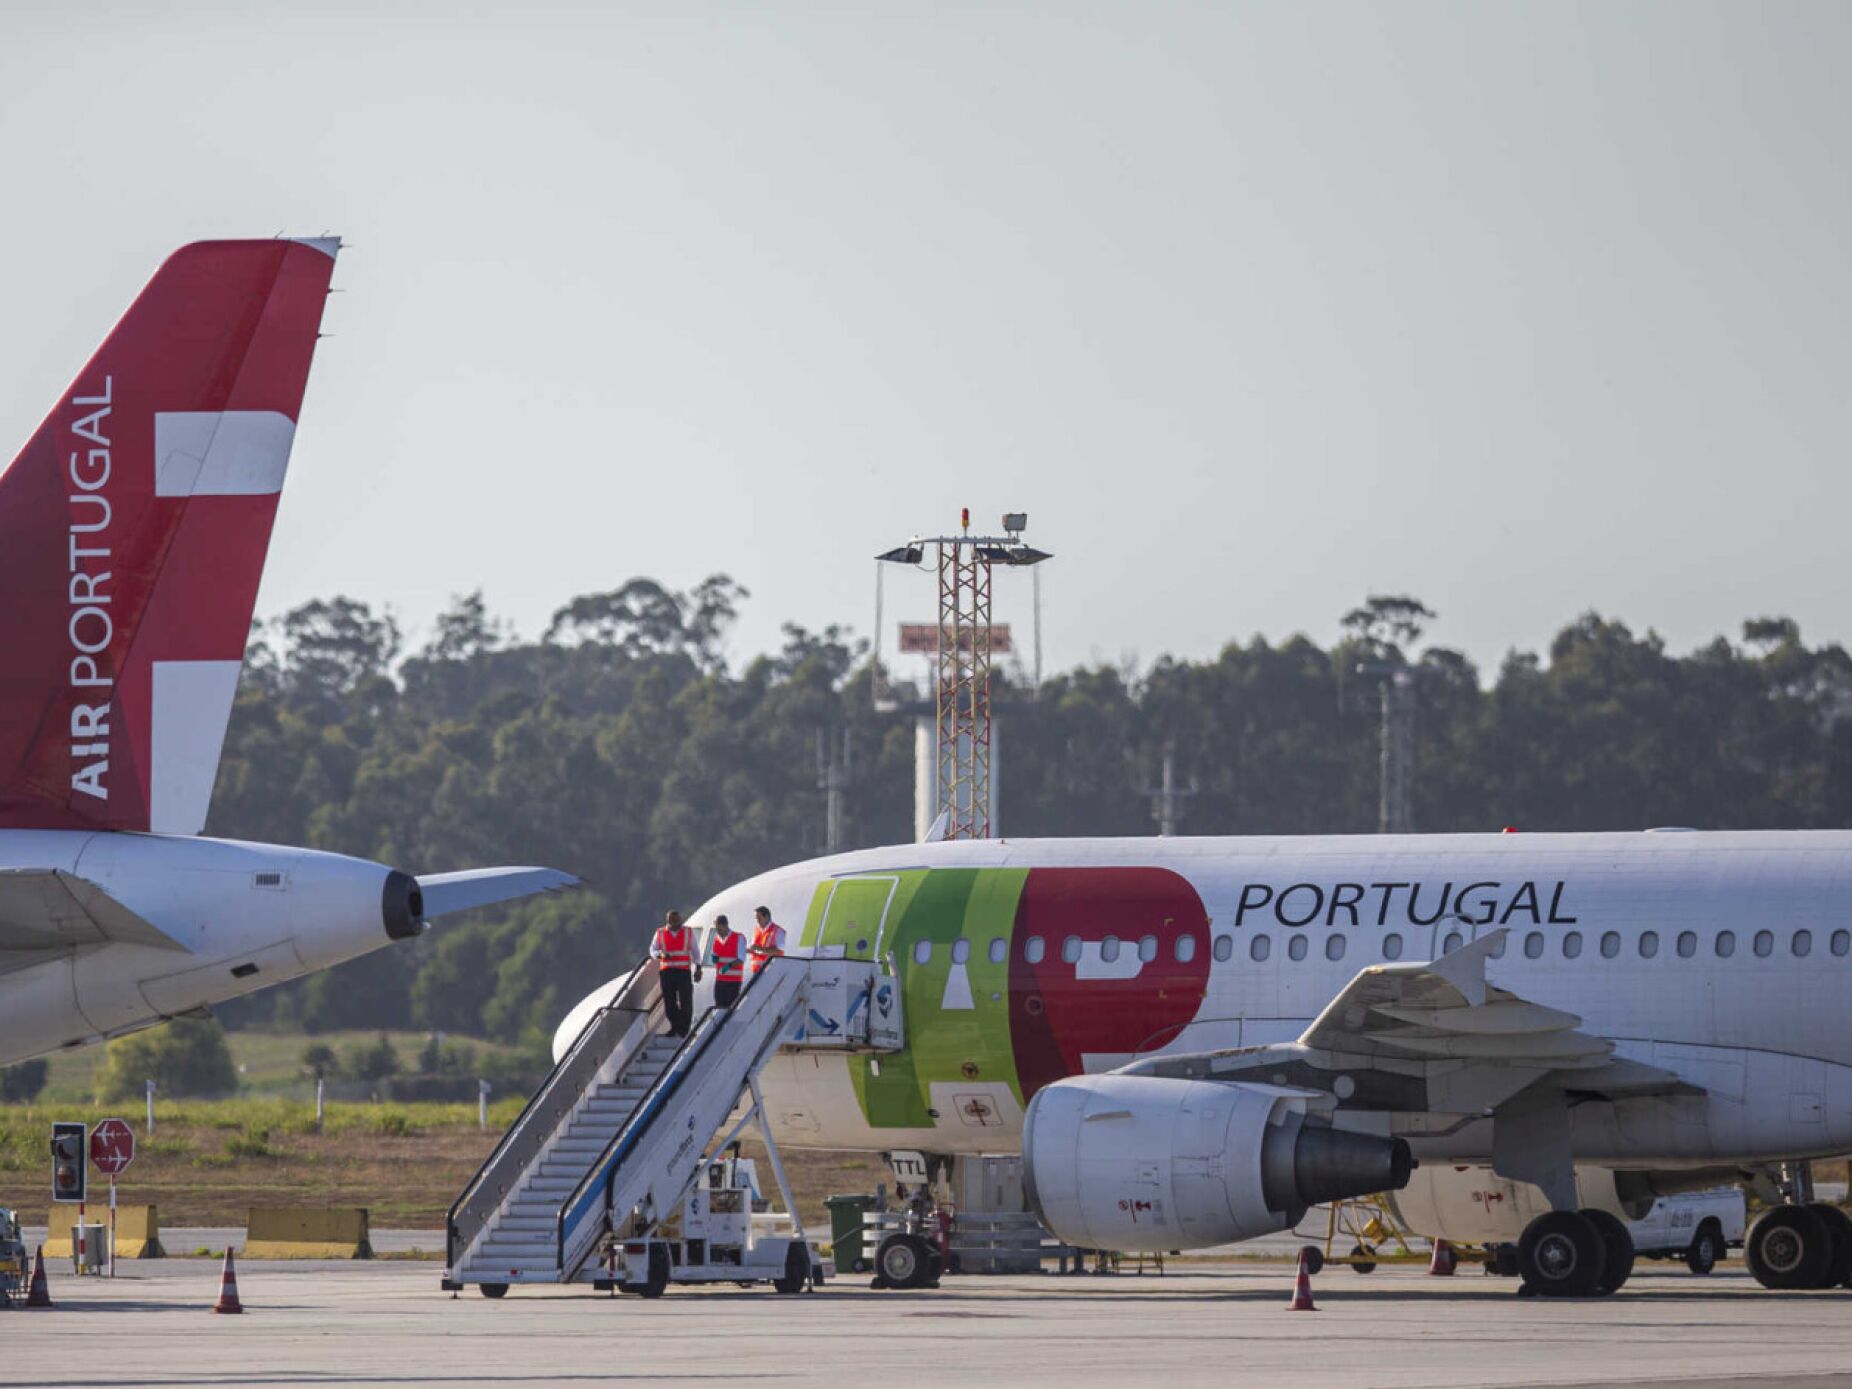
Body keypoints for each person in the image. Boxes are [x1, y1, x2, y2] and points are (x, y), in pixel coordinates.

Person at [651, 909, 700, 1037]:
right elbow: (653, 949)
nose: (678, 923)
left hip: (683, 971)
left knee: (686, 1001)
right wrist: (660, 954)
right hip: (667, 972)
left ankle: (684, 1029)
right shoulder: (660, 933)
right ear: (668, 921)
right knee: (669, 1003)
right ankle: (676, 1026)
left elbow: (695, 950)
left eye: (679, 920)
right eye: (674, 921)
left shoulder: (688, 932)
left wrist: (698, 967)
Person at [705, 914, 746, 1008]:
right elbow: (716, 956)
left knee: (730, 1008)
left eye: (720, 930)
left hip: (733, 981)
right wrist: (714, 959)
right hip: (720, 980)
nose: (719, 932)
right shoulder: (716, 939)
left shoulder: (738, 937)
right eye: (717, 930)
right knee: (719, 1006)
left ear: (726, 925)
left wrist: (728, 966)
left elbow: (741, 959)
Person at [748, 905, 787, 977]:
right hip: (756, 973)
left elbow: (779, 951)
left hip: (771, 973)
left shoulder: (778, 931)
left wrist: (760, 949)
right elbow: (754, 949)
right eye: (756, 919)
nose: (757, 921)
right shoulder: (757, 930)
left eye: (759, 918)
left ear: (767, 917)